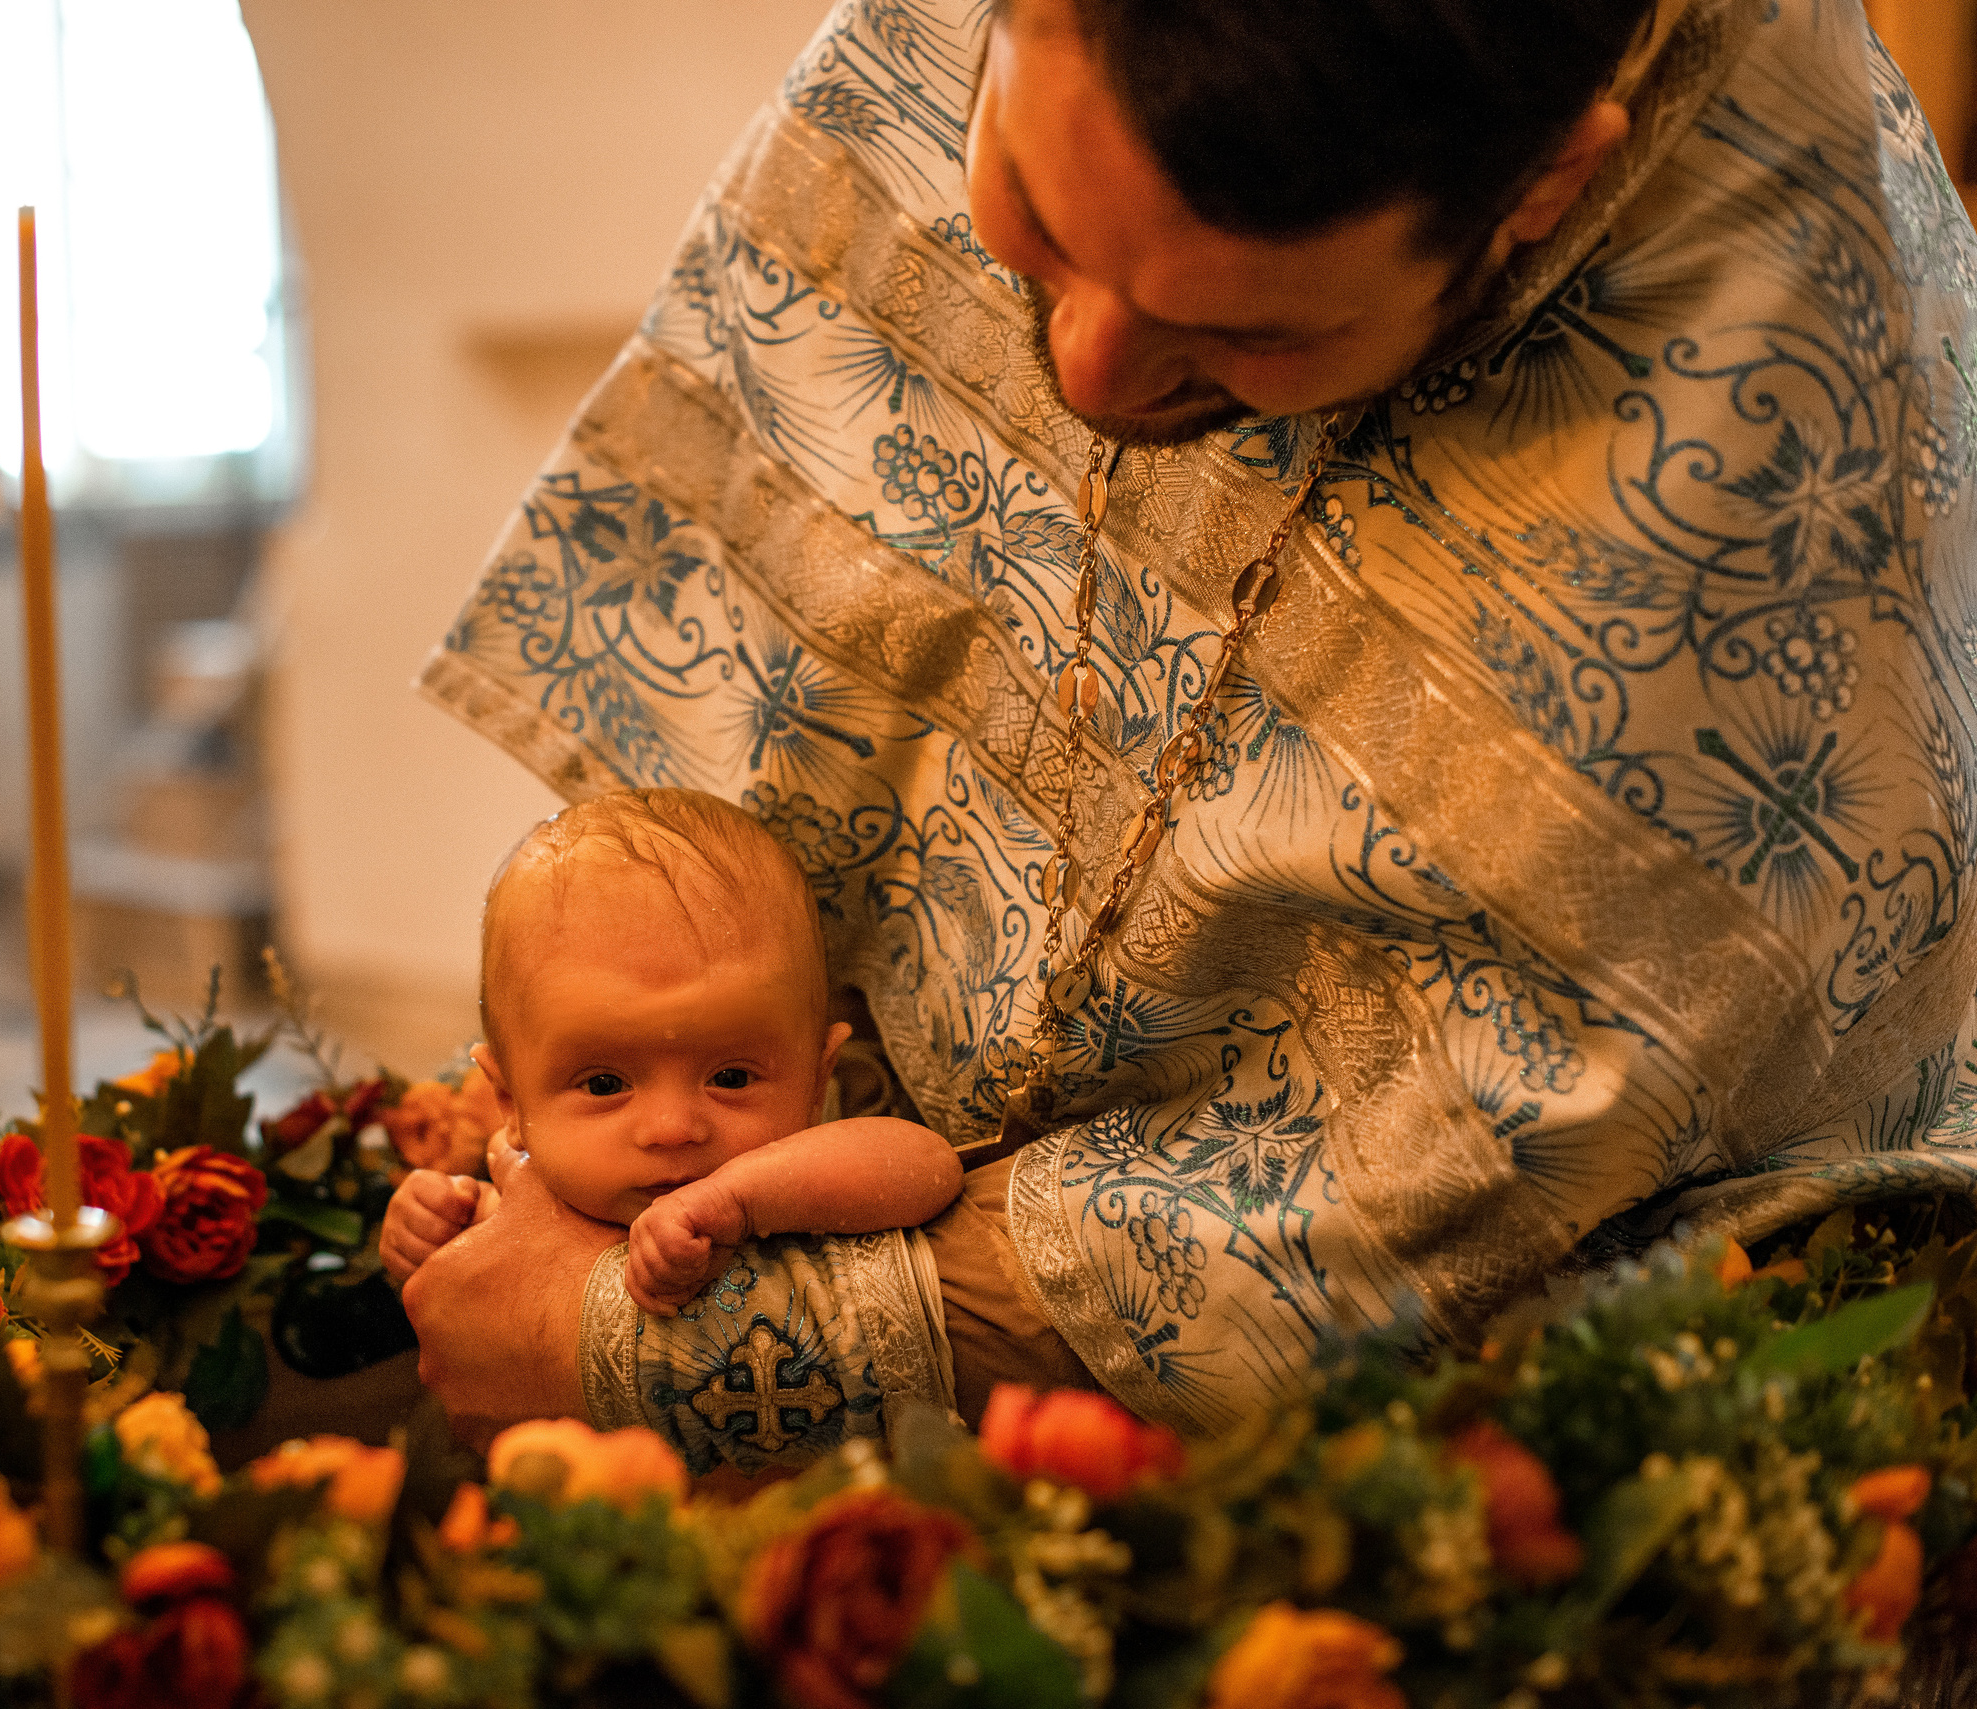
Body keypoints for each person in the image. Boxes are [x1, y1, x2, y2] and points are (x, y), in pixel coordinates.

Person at [408, 0, 1977, 1471]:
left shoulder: (1772, 437)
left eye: (1252, 334)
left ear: (1550, 182)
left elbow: (1456, 1186)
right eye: (1030, 208)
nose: (1080, 371)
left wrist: (651, 1339)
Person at [379, 789, 963, 1323]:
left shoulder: (807, 1182)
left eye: (730, 1077)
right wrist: (430, 1230)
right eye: (605, 1084)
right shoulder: (522, 1206)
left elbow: (929, 1168)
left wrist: (741, 1203)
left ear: (817, 1079)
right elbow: (464, 1283)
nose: (673, 1128)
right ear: (510, 1100)